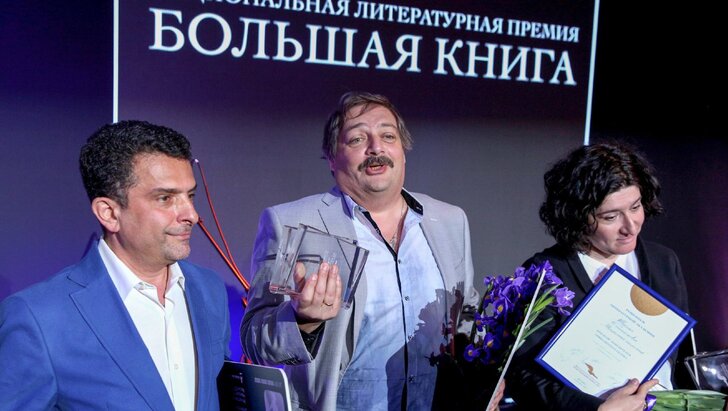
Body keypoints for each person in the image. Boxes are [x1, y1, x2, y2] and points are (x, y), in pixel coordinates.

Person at [240, 92, 491, 410]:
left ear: (403, 150)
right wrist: (302, 320)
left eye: (388, 136)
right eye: (358, 139)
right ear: (332, 157)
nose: (376, 148)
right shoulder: (290, 222)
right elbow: (254, 339)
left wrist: (484, 375)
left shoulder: (450, 220)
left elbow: (465, 314)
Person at [0, 120, 230, 410]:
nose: (191, 215)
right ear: (109, 213)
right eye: (165, 198)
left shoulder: (209, 290)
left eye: (190, 196)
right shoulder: (40, 317)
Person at [506, 142, 691, 411]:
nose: (630, 227)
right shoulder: (547, 273)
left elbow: (679, 356)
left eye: (635, 207)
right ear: (577, 218)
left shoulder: (663, 261)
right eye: (611, 217)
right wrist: (596, 409)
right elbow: (522, 378)